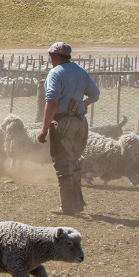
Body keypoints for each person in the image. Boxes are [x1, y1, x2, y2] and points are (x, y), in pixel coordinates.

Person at [36, 42, 100, 214]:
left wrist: (44, 129)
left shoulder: (55, 73)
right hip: (80, 122)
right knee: (74, 162)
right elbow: (95, 94)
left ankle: (67, 207)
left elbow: (52, 102)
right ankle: (77, 203)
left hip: (63, 122)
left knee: (62, 163)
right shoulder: (80, 71)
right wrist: (84, 104)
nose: (50, 59)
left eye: (50, 55)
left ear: (55, 56)